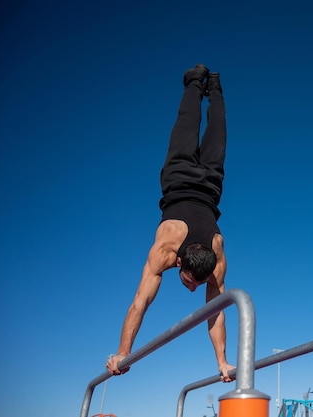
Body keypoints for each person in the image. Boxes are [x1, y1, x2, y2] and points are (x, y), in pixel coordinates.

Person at [106, 64, 235, 382]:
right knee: (199, 127)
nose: (193, 289)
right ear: (177, 260)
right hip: (209, 186)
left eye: (195, 283)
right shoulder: (164, 251)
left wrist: (223, 362)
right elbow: (141, 300)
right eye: (191, 282)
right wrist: (124, 351)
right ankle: (196, 79)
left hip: (182, 178)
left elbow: (214, 311)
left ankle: (214, 85)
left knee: (206, 131)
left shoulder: (215, 262)